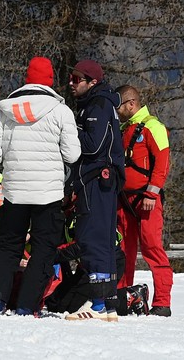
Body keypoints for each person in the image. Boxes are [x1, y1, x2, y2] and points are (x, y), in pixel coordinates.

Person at [0, 56, 81, 316]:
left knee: (8, 248)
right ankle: (26, 306)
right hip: (48, 193)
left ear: (27, 77)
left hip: (14, 192)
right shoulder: (61, 111)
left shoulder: (5, 110)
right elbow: (72, 154)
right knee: (43, 251)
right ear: (50, 80)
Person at [65, 59, 125, 322]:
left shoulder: (98, 104)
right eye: (71, 77)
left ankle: (99, 304)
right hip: (101, 182)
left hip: (97, 180)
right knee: (102, 239)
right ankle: (108, 303)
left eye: (77, 79)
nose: (71, 83)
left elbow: (92, 146)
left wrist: (69, 131)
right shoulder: (97, 103)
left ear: (93, 82)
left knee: (92, 239)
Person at [116, 84, 173, 317]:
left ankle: (162, 302)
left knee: (152, 248)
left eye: (119, 105)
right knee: (123, 250)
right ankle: (122, 297)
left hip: (147, 200)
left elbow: (162, 163)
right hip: (124, 201)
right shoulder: (123, 130)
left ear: (131, 104)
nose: (116, 110)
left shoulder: (153, 127)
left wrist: (151, 193)